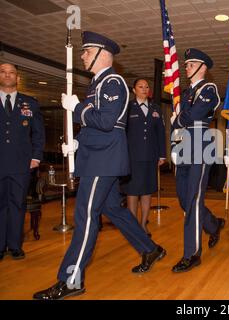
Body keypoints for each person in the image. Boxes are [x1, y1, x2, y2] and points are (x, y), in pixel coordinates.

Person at [33, 31, 166, 300]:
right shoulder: (97, 83)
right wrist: (79, 143)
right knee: (113, 210)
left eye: (87, 51)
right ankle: (149, 248)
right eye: (82, 51)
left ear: (102, 54)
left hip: (103, 162)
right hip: (97, 156)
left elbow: (107, 122)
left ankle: (71, 280)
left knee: (85, 217)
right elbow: (99, 128)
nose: (82, 55)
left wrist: (77, 108)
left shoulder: (113, 82)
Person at [170, 48, 225, 272]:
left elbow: (191, 116)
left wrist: (178, 119)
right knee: (184, 199)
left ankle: (191, 254)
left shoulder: (208, 88)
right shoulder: (185, 93)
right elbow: (183, 119)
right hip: (184, 146)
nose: (187, 67)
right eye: (186, 64)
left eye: (191, 64)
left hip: (200, 147)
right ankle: (213, 224)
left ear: (203, 68)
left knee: (192, 200)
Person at [0, 63, 45, 261]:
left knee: (18, 204)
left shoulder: (30, 103)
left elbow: (38, 133)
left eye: (11, 73)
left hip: (21, 164)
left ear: (17, 78)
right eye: (3, 72)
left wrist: (36, 157)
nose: (7, 75)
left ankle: (15, 245)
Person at [123, 78, 166, 235]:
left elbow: (160, 133)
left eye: (146, 86)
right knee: (133, 191)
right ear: (134, 90)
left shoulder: (156, 108)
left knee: (147, 191)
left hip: (150, 156)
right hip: (132, 157)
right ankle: (133, 225)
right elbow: (122, 133)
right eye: (140, 86)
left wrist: (162, 154)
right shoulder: (128, 108)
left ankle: (143, 224)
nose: (144, 89)